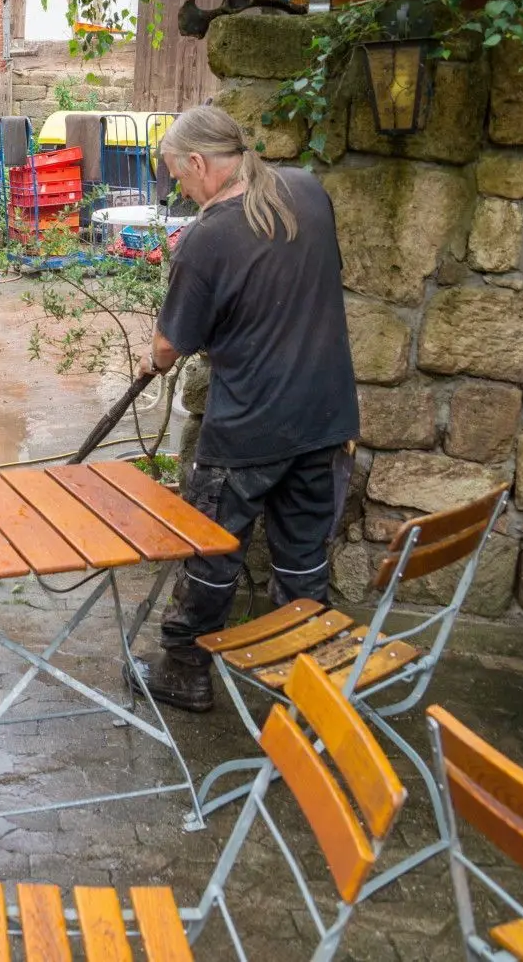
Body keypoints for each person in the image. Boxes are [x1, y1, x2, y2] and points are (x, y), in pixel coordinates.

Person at [130, 105, 358, 713]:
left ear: (199, 162)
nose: (179, 190)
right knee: (304, 559)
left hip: (250, 427)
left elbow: (170, 346)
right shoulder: (307, 191)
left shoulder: (207, 237)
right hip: (325, 416)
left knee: (212, 549)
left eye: (179, 176)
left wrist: (151, 359)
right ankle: (307, 685)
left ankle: (185, 671)